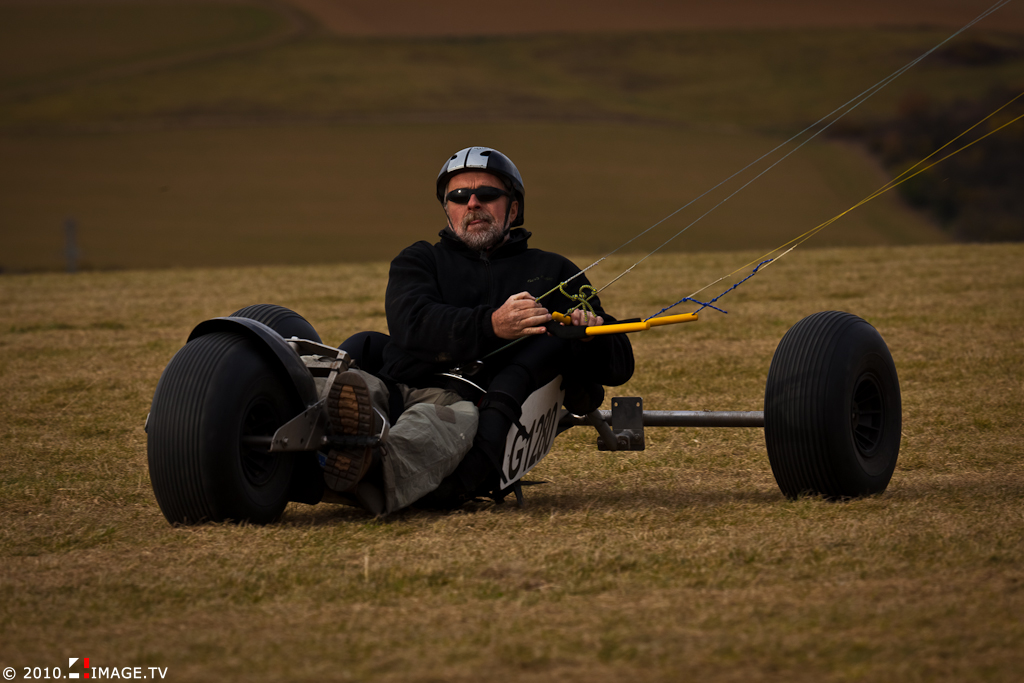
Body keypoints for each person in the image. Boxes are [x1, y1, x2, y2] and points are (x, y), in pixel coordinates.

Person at [322, 146, 634, 515]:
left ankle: (366, 464)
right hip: (396, 384)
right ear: (448, 209)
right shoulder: (419, 260)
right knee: (353, 389)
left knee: (437, 423)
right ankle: (318, 434)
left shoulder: (554, 271)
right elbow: (413, 324)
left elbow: (618, 367)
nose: (472, 203)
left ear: (512, 209)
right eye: (458, 196)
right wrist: (493, 324)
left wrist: (590, 337)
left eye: (486, 194)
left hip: (465, 405)